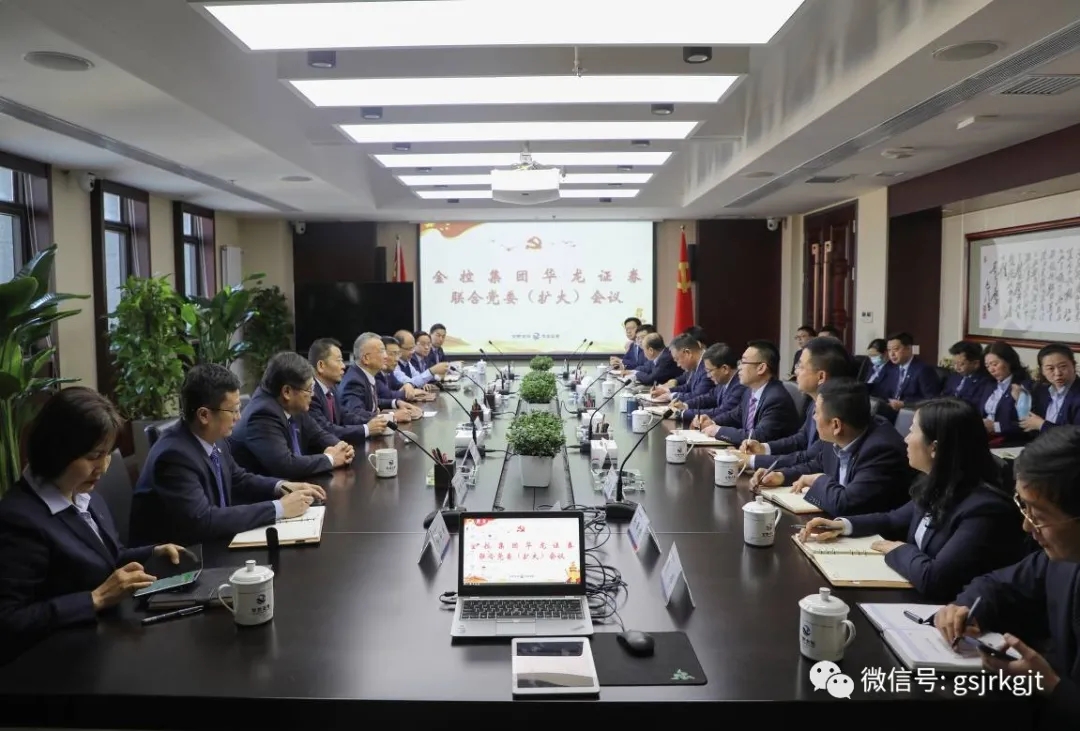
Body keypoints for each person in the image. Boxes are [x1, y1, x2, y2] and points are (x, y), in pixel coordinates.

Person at [0, 388, 188, 658]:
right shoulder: (19, 520)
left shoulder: (83, 495)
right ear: (56, 451)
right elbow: (8, 621)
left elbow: (106, 558)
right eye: (93, 457)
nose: (104, 467)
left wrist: (152, 553)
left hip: (102, 644)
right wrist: (94, 599)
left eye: (107, 453)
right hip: (54, 664)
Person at [798, 398, 1026, 600]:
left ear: (934, 448)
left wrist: (899, 549)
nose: (906, 439)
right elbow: (892, 520)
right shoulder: (935, 483)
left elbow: (934, 579)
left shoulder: (984, 509)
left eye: (912, 431)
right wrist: (842, 525)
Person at [935, 426, 1080, 727]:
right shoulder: (1060, 558)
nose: (1027, 527)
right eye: (1024, 507)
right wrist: (965, 608)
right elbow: (997, 585)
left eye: (1039, 516)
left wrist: (1051, 686)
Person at [131, 365, 325, 546]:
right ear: (204, 415)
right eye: (233, 410)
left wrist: (281, 486)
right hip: (181, 558)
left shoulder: (214, 436)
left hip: (214, 543)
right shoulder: (173, 456)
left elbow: (237, 478)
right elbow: (203, 520)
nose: (238, 417)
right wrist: (279, 508)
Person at [229, 351, 354, 480]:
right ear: (287, 392)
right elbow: (285, 466)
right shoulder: (262, 415)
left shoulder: (293, 405)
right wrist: (330, 459)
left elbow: (318, 434)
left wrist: (342, 447)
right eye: (309, 389)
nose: (313, 394)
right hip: (264, 490)